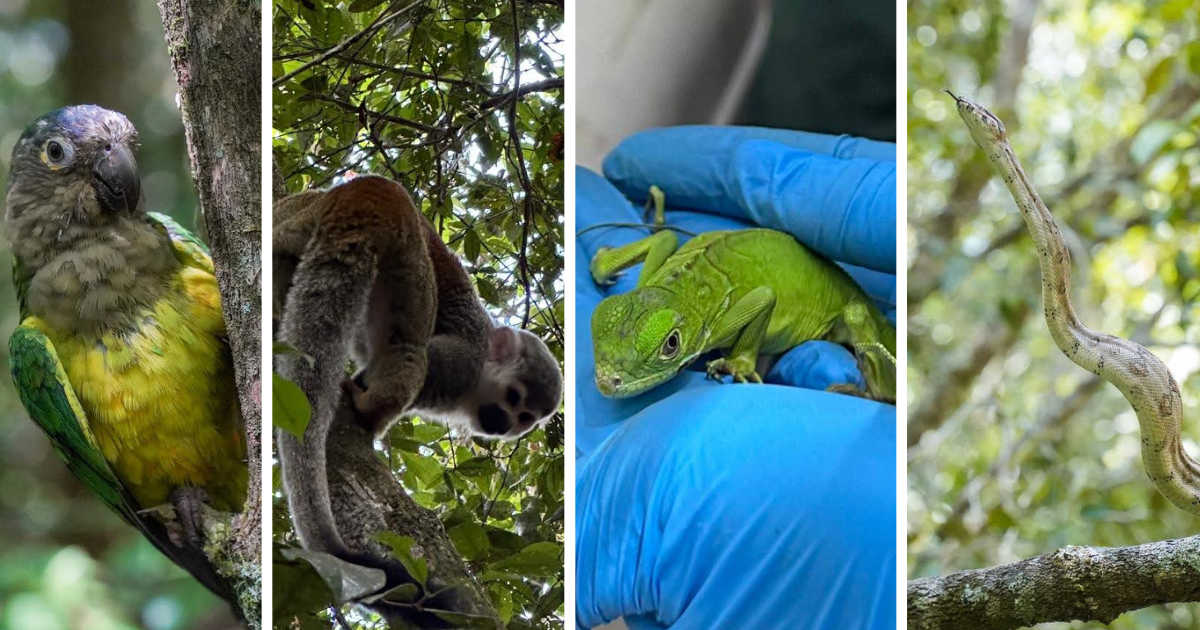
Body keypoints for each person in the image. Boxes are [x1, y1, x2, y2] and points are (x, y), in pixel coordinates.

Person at [575, 126, 897, 630]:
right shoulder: (662, 302)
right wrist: (614, 259)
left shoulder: (711, 320)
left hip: (841, 306)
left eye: (669, 348)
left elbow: (759, 300)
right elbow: (661, 238)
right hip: (738, 267)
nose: (608, 382)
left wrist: (743, 359)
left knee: (871, 345)